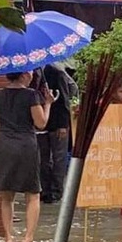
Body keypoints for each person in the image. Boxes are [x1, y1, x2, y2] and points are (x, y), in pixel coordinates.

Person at [0, 70, 55, 242]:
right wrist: (48, 104)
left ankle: (9, 238)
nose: (32, 74)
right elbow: (41, 123)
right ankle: (28, 239)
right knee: (32, 194)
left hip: (3, 145)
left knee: (7, 195)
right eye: (30, 72)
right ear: (24, 75)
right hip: (26, 145)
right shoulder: (31, 95)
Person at [40, 62, 77, 204]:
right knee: (43, 158)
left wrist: (63, 124)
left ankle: (56, 191)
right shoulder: (34, 72)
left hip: (57, 121)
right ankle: (45, 189)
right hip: (41, 121)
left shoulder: (56, 71)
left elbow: (65, 99)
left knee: (59, 158)